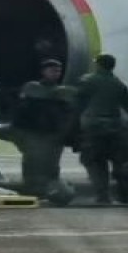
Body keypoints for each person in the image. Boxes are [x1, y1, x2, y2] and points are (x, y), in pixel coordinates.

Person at [76, 53, 128, 204]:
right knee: (122, 161)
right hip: (116, 127)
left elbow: (76, 102)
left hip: (93, 127)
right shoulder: (119, 84)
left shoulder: (87, 81)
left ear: (98, 65)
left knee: (95, 161)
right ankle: (125, 194)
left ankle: (103, 195)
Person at [11, 58, 77, 205]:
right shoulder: (32, 88)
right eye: (52, 70)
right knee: (31, 163)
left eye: (58, 71)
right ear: (43, 71)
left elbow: (69, 115)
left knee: (52, 165)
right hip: (34, 133)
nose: (56, 73)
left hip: (53, 134)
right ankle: (31, 190)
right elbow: (21, 112)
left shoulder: (63, 92)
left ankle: (49, 191)